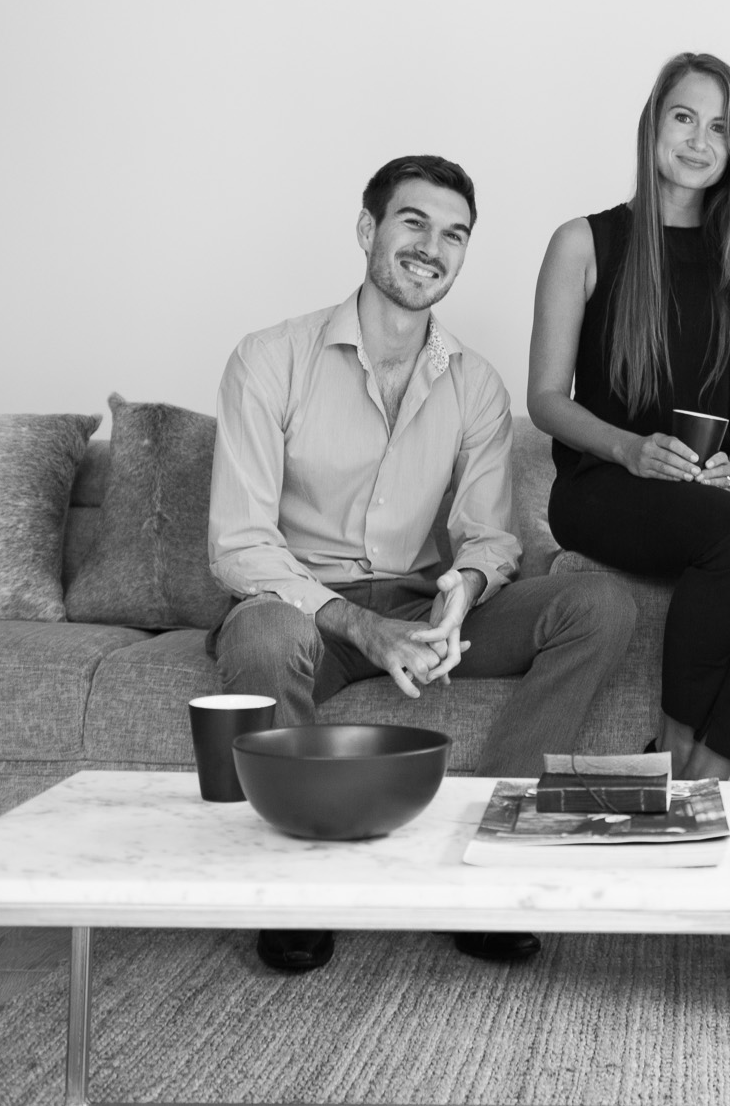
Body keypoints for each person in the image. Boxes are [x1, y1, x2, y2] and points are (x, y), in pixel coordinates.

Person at [209, 154, 636, 974]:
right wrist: (360, 626)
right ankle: (301, 889)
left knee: (599, 606)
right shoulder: (269, 358)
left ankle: (490, 863)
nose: (431, 248)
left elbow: (490, 536)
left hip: (417, 605)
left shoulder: (476, 384)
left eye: (454, 234)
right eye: (414, 222)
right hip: (304, 609)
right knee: (258, 638)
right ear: (368, 229)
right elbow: (240, 544)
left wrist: (460, 596)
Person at [528, 52, 730, 781]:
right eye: (684, 118)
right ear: (652, 126)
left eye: (719, 128)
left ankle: (708, 774)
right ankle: (666, 748)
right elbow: (546, 398)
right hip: (603, 485)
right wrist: (629, 450)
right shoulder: (583, 242)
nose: (699, 141)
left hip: (707, 487)